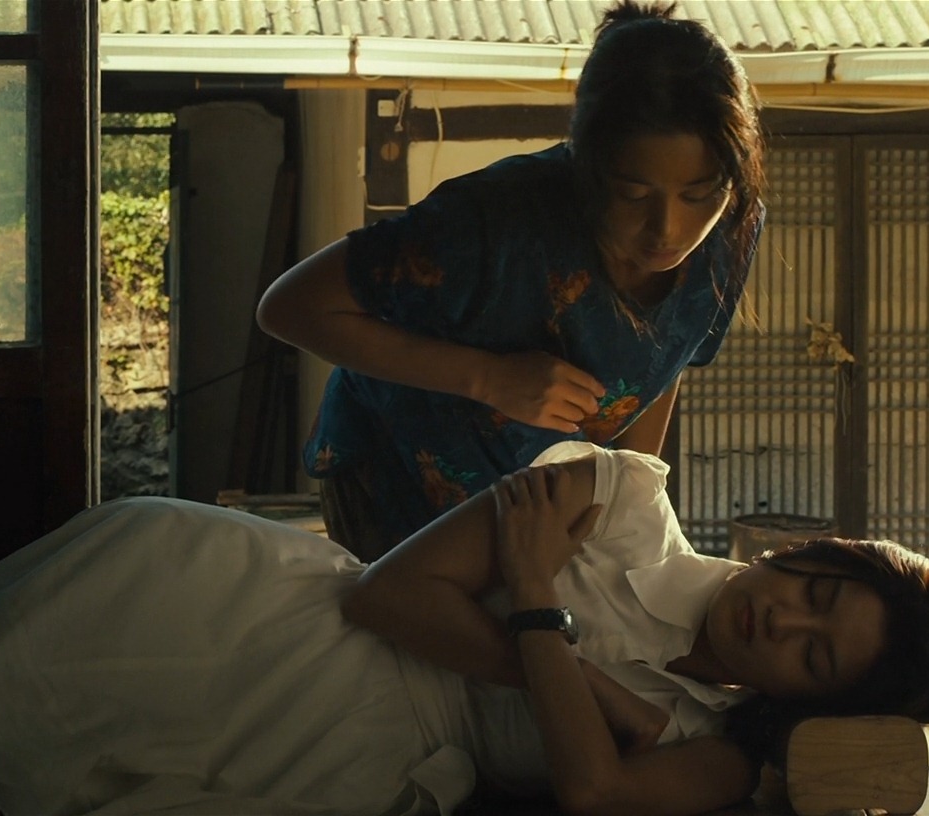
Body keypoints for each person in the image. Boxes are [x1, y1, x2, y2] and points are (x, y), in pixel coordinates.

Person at [0, 441, 929, 816]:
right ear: (810, 556)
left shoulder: (717, 751)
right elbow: (383, 598)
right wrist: (586, 692)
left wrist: (535, 604)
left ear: (811, 699)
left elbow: (596, 797)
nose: (782, 618)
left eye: (812, 654)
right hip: (255, 619)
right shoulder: (618, 496)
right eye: (817, 592)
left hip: (343, 763)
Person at [256, 0, 769, 561]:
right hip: (403, 479)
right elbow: (290, 307)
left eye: (699, 193)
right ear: (586, 162)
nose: (667, 229)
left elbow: (667, 360)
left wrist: (631, 500)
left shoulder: (732, 228)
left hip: (542, 505)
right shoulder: (493, 221)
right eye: (632, 192)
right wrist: (489, 378)